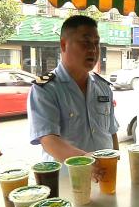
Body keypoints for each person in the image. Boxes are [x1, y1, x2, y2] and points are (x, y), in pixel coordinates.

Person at [27, 15, 119, 175]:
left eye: (96, 43)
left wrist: (116, 162)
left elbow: (111, 132)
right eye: (85, 42)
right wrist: (84, 160)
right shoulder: (45, 89)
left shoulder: (103, 87)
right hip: (66, 182)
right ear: (64, 44)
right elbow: (48, 140)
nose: (93, 49)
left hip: (105, 177)